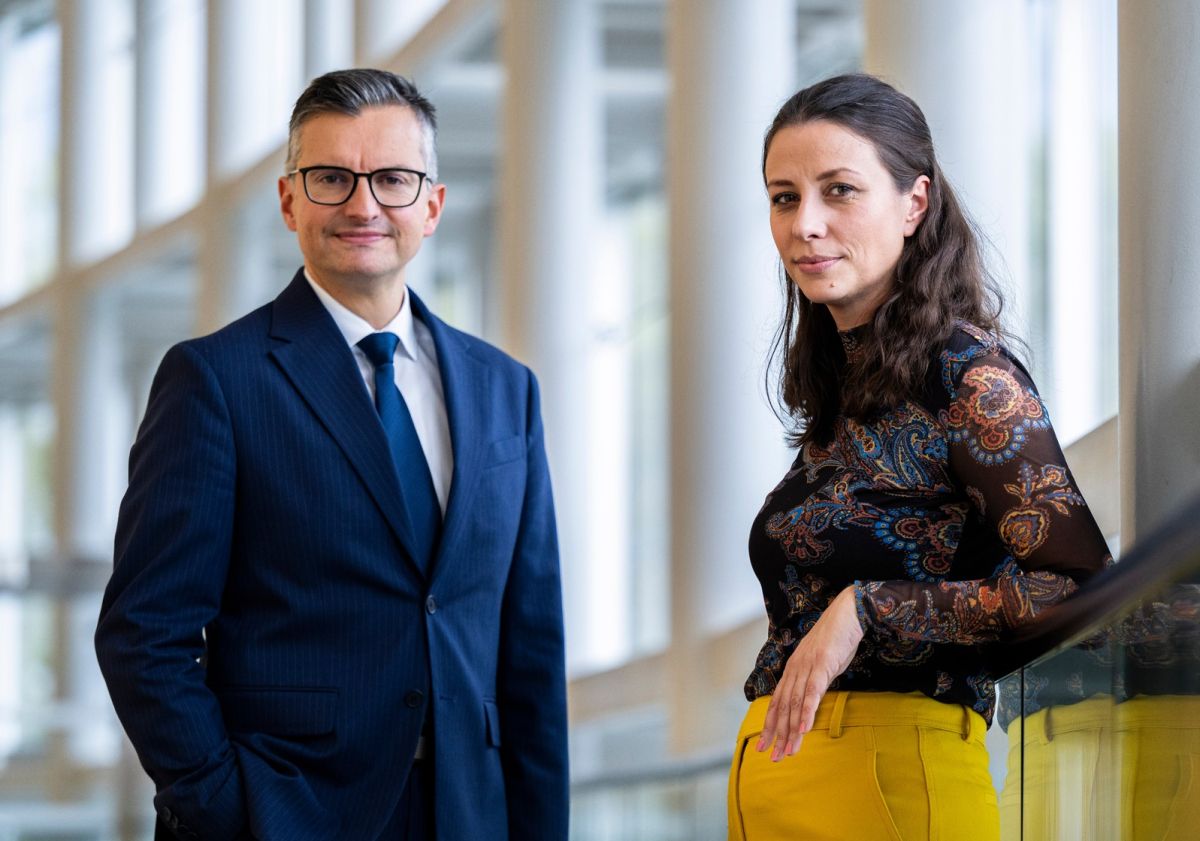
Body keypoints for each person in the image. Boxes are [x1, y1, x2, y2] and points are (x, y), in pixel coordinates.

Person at [94, 69, 568, 841]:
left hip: (469, 812)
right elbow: (144, 631)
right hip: (285, 810)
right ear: (290, 200)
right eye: (331, 178)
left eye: (393, 179)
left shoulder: (505, 389)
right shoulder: (216, 380)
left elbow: (531, 647)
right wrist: (224, 804)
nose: (363, 205)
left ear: (432, 206)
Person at [726, 73, 1111, 841]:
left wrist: (870, 607)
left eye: (839, 190)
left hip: (890, 781)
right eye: (784, 198)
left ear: (915, 203)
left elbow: (1079, 586)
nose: (806, 224)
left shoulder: (970, 376)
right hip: (775, 778)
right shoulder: (846, 388)